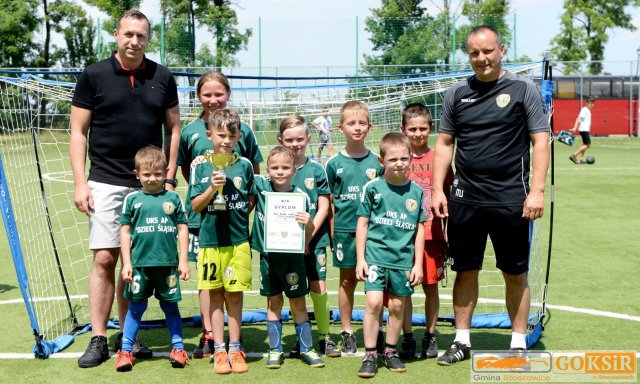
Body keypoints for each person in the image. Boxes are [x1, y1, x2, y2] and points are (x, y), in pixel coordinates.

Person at [431, 25, 550, 365]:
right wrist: (439, 188)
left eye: (487, 51)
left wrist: (537, 191)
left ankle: (517, 344)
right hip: (465, 198)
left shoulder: (522, 89)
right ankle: (461, 340)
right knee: (465, 270)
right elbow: (444, 143)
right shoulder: (456, 93)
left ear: (501, 50)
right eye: (474, 53)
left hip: (512, 198)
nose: (481, 59)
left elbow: (540, 141)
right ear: (468, 55)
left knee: (514, 273)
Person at [70, 9, 181, 368]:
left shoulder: (163, 77)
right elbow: (77, 132)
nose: (134, 41)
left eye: (142, 36)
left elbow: (174, 129)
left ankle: (127, 339)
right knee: (105, 258)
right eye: (128, 34)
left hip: (149, 186)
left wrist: (168, 175)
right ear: (116, 35)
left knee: (141, 264)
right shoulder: (93, 75)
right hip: (104, 180)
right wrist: (79, 182)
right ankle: (99, 337)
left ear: (149, 40)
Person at [176, 71, 263, 358]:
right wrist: (206, 193)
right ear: (198, 96)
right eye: (206, 94)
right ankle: (209, 334)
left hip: (234, 223)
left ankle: (233, 343)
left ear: (228, 93)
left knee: (232, 283)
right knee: (209, 280)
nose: (213, 100)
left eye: (218, 94)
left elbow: (253, 176)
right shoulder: (189, 132)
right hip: (204, 219)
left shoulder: (244, 130)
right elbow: (188, 172)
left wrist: (241, 210)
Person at [355, 132, 425, 378]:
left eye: (404, 158)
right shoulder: (372, 188)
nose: (399, 163)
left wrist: (418, 263)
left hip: (402, 261)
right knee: (374, 303)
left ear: (411, 160)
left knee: (397, 305)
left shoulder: (416, 192)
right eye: (393, 159)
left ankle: (391, 352)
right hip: (375, 256)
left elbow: (419, 229)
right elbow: (362, 223)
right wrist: (361, 258)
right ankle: (370, 355)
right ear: (381, 160)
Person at [190, 108, 254, 374]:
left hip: (238, 241)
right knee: (215, 295)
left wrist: (236, 213)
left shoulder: (245, 165)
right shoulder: (200, 166)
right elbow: (195, 206)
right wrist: (212, 189)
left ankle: (236, 348)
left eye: (231, 135)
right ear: (209, 135)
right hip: (210, 242)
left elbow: (250, 199)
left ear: (238, 136)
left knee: (235, 296)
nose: (226, 140)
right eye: (220, 135)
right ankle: (218, 349)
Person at [115, 146, 190, 371]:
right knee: (135, 308)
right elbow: (125, 232)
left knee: (171, 308)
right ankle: (126, 351)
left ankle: (178, 348)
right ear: (137, 174)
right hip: (139, 266)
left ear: (166, 172)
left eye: (158, 173)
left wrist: (183, 262)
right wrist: (126, 263)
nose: (153, 178)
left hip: (167, 266)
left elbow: (183, 228)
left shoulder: (173, 198)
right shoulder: (132, 200)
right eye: (147, 174)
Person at [250, 146, 326, 369]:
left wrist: (308, 224)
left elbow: (309, 231)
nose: (280, 171)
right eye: (274, 167)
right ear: (267, 169)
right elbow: (244, 169)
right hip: (269, 259)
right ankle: (275, 350)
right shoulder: (262, 187)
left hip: (293, 260)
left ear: (294, 170)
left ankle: (307, 349)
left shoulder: (300, 196)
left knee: (299, 303)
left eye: (285, 167)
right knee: (273, 303)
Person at [277, 115, 341, 358]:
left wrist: (308, 236)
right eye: (289, 140)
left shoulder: (316, 169)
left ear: (308, 138)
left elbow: (324, 206)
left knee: (318, 285)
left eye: (300, 139)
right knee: (295, 287)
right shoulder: (278, 171)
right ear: (281, 140)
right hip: (286, 244)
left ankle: (325, 337)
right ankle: (302, 338)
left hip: (315, 241)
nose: (295, 144)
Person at [325, 100, 384, 354]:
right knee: (347, 281)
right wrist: (331, 233)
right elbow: (329, 203)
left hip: (374, 234)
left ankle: (377, 331)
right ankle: (347, 331)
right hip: (345, 232)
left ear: (369, 127)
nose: (357, 128)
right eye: (351, 123)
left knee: (377, 283)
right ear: (340, 128)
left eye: (362, 123)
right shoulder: (333, 164)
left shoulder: (378, 162)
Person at [398, 103, 454, 360]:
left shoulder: (439, 159)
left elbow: (449, 199)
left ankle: (430, 335)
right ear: (403, 130)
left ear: (431, 128)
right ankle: (407, 335)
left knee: (431, 287)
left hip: (432, 235)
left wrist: (448, 233)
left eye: (423, 128)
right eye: (412, 129)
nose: (418, 133)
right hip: (401, 238)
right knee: (403, 288)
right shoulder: (396, 159)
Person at [569, 96, 595, 164]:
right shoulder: (584, 109)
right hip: (584, 130)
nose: (592, 105)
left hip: (585, 130)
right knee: (588, 145)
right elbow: (578, 119)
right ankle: (574, 155)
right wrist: (574, 128)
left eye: (593, 103)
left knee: (584, 144)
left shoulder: (587, 110)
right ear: (587, 103)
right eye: (591, 103)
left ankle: (581, 159)